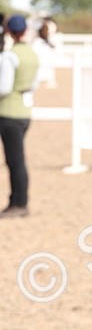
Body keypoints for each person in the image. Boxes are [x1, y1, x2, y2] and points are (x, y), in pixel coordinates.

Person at [0, 15, 39, 218]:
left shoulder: (9, 56)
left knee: (14, 161)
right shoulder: (32, 54)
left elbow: (4, 87)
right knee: (17, 160)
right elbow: (33, 84)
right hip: (25, 113)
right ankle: (18, 201)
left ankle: (18, 202)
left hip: (8, 113)